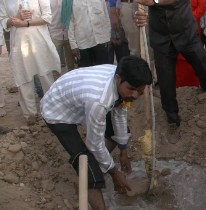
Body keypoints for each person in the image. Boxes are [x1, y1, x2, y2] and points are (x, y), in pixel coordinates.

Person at [40, 55, 153, 210]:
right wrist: (114, 172)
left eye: (140, 91)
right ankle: (96, 193)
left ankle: (99, 164)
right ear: (118, 79)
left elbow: (119, 113)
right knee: (86, 163)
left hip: (75, 98)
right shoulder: (99, 100)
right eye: (132, 89)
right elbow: (94, 143)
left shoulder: (121, 77)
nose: (135, 95)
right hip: (56, 111)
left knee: (119, 134)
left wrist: (123, 149)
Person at [136, 0, 206, 127]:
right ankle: (172, 118)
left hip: (184, 30)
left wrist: (153, 1)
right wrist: (138, 13)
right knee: (165, 79)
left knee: (202, 64)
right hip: (161, 35)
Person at [0, 0, 61, 125]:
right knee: (24, 79)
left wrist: (25, 23)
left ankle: (53, 110)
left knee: (46, 76)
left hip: (40, 41)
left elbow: (47, 17)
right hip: (18, 44)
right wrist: (15, 19)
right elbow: (3, 20)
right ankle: (30, 115)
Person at [64, 0, 111, 67]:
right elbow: (70, 23)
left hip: (101, 39)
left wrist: (108, 37)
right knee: (86, 72)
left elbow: (106, 16)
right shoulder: (70, 1)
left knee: (103, 69)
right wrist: (73, 45)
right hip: (83, 43)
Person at [175, 0, 206, 88]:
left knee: (193, 55)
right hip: (176, 26)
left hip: (192, 27)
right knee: (178, 57)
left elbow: (202, 7)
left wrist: (189, 17)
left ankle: (193, 85)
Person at [48, 0, 75, 72]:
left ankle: (71, 81)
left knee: (71, 64)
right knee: (55, 65)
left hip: (69, 34)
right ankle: (57, 82)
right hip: (54, 34)